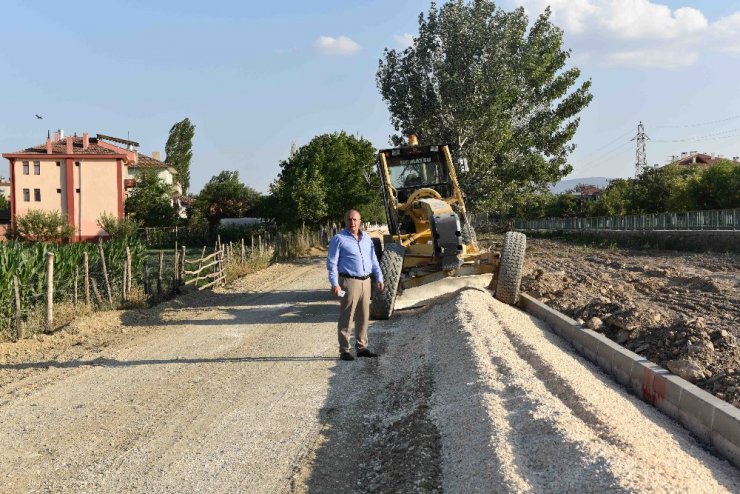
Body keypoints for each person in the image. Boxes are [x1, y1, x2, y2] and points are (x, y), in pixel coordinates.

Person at [327, 209, 384, 361]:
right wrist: (334, 283)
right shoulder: (338, 239)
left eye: (355, 219)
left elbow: (374, 261)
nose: (352, 222)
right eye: (349, 220)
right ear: (345, 221)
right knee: (347, 315)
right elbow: (332, 263)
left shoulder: (367, 239)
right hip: (348, 282)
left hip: (366, 282)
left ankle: (362, 347)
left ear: (360, 221)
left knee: (364, 315)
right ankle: (345, 350)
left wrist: (379, 277)